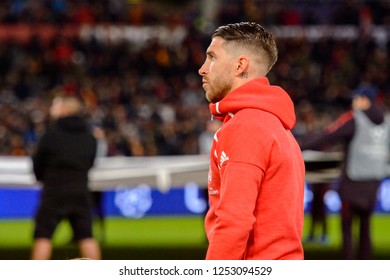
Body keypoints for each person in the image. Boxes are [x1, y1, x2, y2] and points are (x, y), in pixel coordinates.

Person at [198, 22, 305, 260]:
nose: (202, 69)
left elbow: (234, 222)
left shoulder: (246, 127)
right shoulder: (273, 124)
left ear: (240, 65)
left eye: (212, 57)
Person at [300, 83, 389, 259]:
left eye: (357, 98)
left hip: (353, 183)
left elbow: (329, 136)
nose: (353, 102)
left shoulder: (355, 118)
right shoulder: (386, 122)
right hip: (373, 183)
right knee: (365, 227)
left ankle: (347, 269)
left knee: (347, 228)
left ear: (365, 101)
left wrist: (299, 146)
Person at [31, 94, 101, 260]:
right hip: (80, 190)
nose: (52, 109)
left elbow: (37, 163)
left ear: (64, 110)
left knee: (43, 235)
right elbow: (90, 163)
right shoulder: (90, 138)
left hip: (54, 189)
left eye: (55, 106)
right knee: (86, 235)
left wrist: (43, 177)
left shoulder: (50, 135)